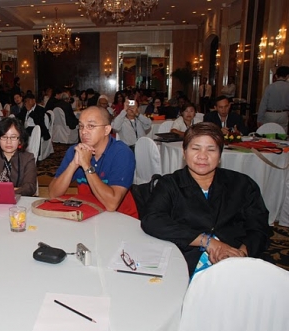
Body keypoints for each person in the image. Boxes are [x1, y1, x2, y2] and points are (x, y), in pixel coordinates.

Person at [141, 123, 270, 276]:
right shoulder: (170, 184)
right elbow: (152, 220)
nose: (202, 156)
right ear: (184, 152)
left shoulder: (242, 184)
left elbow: (259, 227)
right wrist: (208, 242)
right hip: (187, 262)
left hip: (239, 261)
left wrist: (240, 254)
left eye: (211, 149)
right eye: (195, 148)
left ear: (220, 155)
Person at [48, 106, 137, 217]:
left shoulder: (122, 153)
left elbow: (111, 205)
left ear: (106, 130)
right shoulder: (76, 151)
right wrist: (73, 165)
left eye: (91, 126)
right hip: (90, 214)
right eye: (81, 126)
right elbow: (53, 194)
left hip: (122, 220)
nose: (84, 132)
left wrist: (86, 165)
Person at [0, 117, 37, 196]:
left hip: (18, 202)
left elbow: (30, 187)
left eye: (13, 137)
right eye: (4, 137)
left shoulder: (28, 158)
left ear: (20, 140)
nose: (8, 142)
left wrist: (4, 191)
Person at [257, 65, 289, 133]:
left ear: (276, 76)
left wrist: (259, 118)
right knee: (282, 134)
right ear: (287, 76)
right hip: (283, 114)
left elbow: (263, 104)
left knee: (268, 133)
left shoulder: (270, 87)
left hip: (270, 114)